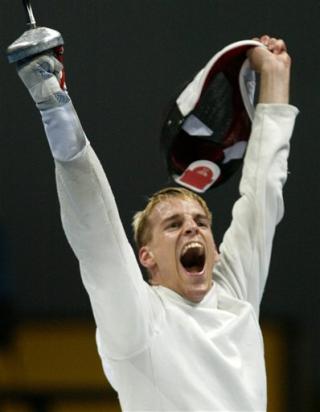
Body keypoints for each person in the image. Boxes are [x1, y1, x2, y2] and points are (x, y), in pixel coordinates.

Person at [15, 34, 298, 411]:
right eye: (173, 224)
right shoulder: (139, 323)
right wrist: (51, 99)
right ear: (146, 257)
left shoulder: (235, 294)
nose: (192, 228)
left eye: (200, 221)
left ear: (214, 248)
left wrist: (276, 77)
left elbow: (264, 188)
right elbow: (96, 234)